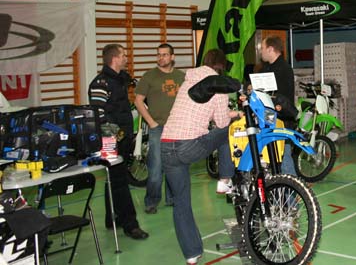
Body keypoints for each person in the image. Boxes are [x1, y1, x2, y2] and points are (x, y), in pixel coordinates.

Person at [160, 49, 242, 265]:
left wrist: (229, 114)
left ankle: (192, 254)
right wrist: (237, 115)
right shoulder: (218, 85)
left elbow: (201, 111)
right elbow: (221, 123)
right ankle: (225, 179)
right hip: (189, 145)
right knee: (229, 131)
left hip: (167, 145)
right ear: (221, 66)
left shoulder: (188, 79)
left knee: (181, 203)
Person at [88, 43, 149, 240]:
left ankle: (112, 217)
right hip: (111, 141)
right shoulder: (100, 84)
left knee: (114, 178)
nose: (126, 58)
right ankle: (131, 225)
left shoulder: (120, 79)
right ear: (114, 58)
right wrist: (116, 136)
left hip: (122, 138)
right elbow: (99, 115)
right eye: (123, 55)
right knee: (121, 181)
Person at [134, 43, 185, 214]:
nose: (161, 57)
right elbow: (138, 101)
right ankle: (151, 201)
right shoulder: (149, 76)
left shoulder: (181, 76)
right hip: (158, 128)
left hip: (177, 128)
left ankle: (173, 198)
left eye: (164, 54)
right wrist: (151, 122)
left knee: (176, 165)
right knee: (156, 167)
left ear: (172, 57)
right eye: (158, 54)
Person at [257, 35, 297, 175]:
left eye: (263, 48)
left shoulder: (284, 69)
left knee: (283, 154)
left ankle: (292, 186)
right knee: (270, 153)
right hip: (268, 115)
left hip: (281, 118)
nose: (261, 51)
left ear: (270, 49)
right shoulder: (266, 68)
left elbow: (282, 97)